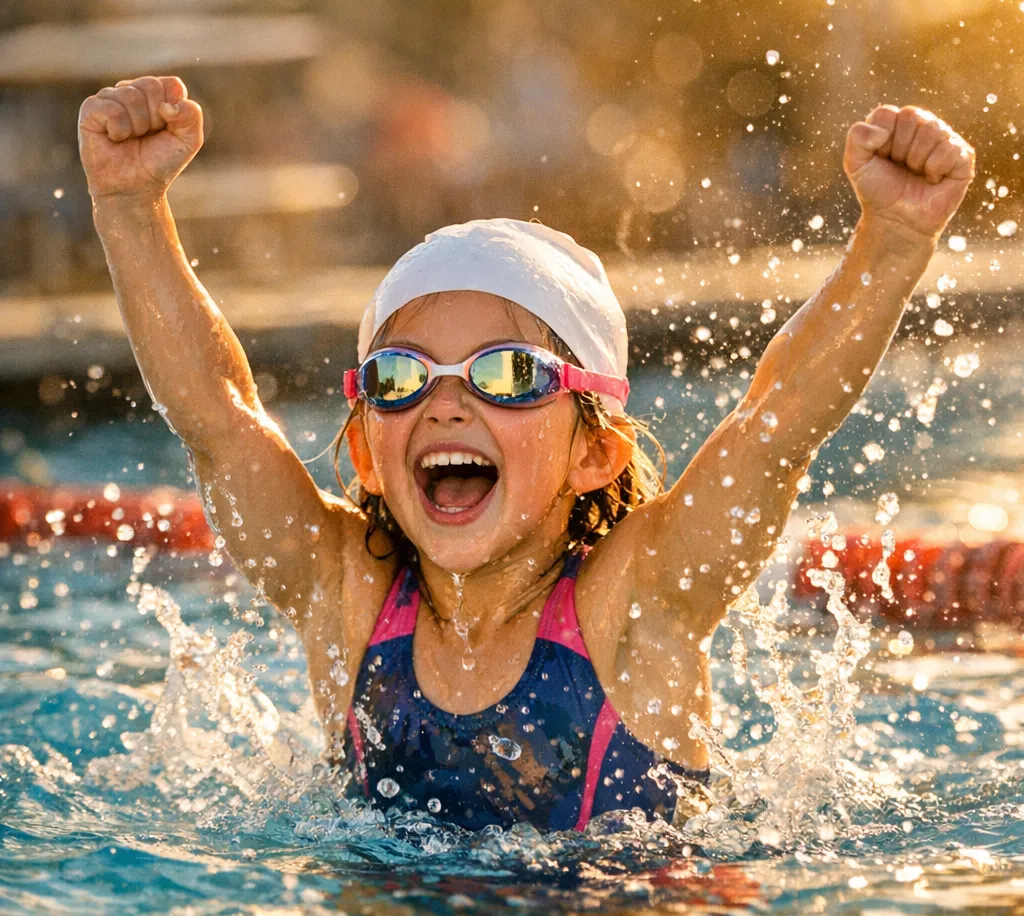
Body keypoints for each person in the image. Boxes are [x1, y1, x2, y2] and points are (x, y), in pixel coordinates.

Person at [78, 76, 974, 831]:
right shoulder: (346, 597)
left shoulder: (637, 604)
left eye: (507, 373)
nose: (446, 402)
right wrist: (130, 207)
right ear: (363, 452)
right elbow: (219, 417)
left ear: (597, 452)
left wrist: (891, 242)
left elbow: (776, 424)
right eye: (401, 376)